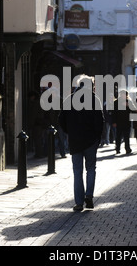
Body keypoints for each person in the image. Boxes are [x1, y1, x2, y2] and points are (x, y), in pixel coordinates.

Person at [58, 75, 104, 211]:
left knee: (77, 171)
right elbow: (100, 121)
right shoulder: (95, 100)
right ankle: (89, 195)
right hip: (90, 141)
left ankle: (79, 203)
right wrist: (97, 138)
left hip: (75, 140)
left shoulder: (70, 99)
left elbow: (61, 119)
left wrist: (69, 132)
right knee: (90, 169)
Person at [112, 89, 135, 155]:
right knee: (118, 136)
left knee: (126, 137)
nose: (123, 96)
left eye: (124, 95)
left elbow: (134, 110)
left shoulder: (129, 102)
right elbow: (114, 113)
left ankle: (127, 149)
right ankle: (117, 149)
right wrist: (114, 122)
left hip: (127, 122)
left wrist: (128, 106)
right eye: (122, 94)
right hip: (118, 122)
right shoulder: (116, 102)